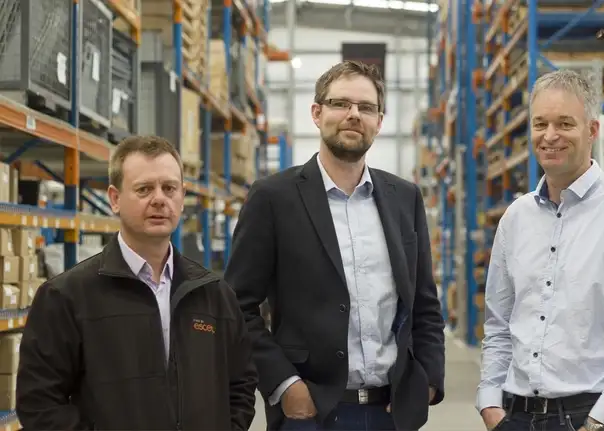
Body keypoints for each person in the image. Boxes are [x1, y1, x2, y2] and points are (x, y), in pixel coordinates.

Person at [225, 60, 446, 431]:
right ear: (316, 112)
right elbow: (237, 307)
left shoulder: (404, 198)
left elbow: (424, 302)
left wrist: (428, 381)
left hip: (390, 413)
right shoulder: (273, 198)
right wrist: (284, 384)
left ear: (379, 120)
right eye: (341, 103)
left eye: (366, 108)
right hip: (310, 414)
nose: (353, 115)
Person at [476, 69, 604, 431]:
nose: (550, 136)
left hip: (596, 418)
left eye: (565, 124)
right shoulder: (515, 219)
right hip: (517, 416)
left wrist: (600, 422)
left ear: (592, 131)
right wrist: (490, 404)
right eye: (540, 124)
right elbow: (499, 326)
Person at [16, 136, 258, 430]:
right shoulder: (65, 297)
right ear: (115, 199)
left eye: (169, 188)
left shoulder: (214, 295)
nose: (159, 199)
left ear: (182, 196)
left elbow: (242, 385)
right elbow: (39, 404)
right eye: (144, 189)